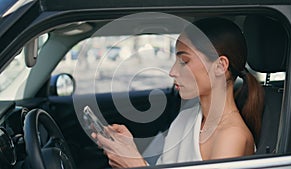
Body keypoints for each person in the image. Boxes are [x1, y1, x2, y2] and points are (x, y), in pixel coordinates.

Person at [91, 17, 264, 168]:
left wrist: (135, 164)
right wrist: (131, 150)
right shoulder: (186, 117)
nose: (172, 71)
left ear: (220, 66)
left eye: (184, 61)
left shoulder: (232, 137)